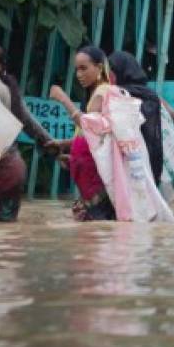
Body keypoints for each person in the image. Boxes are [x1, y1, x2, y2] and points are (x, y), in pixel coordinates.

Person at [0, 41, 55, 222]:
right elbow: (27, 121)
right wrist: (50, 144)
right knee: (1, 233)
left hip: (3, 170)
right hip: (7, 169)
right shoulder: (3, 88)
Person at [49, 46, 116, 221]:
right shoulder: (97, 93)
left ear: (100, 67)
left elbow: (90, 128)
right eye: (77, 69)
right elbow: (89, 137)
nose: (79, 74)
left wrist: (64, 99)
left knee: (96, 231)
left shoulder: (103, 92)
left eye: (84, 68)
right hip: (90, 176)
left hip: (96, 179)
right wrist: (65, 145)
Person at [108, 51, 164, 187]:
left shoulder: (121, 95)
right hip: (134, 162)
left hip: (137, 161)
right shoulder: (148, 95)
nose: (107, 76)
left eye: (111, 71)